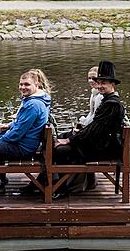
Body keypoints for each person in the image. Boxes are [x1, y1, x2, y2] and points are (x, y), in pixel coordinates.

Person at [0, 69, 51, 202]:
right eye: (21, 84)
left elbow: (18, 133)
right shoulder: (33, 99)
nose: (22, 87)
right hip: (22, 141)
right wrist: (8, 127)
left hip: (24, 147)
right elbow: (21, 125)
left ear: (36, 85)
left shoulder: (33, 105)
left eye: (27, 84)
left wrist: (0, 140)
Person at [51, 60, 126, 196]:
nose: (100, 86)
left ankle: (63, 187)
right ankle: (65, 183)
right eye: (99, 83)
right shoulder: (106, 100)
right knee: (61, 138)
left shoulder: (112, 105)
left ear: (112, 84)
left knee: (60, 150)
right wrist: (71, 137)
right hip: (102, 143)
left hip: (106, 148)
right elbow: (94, 127)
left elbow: (95, 130)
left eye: (104, 83)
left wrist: (70, 140)